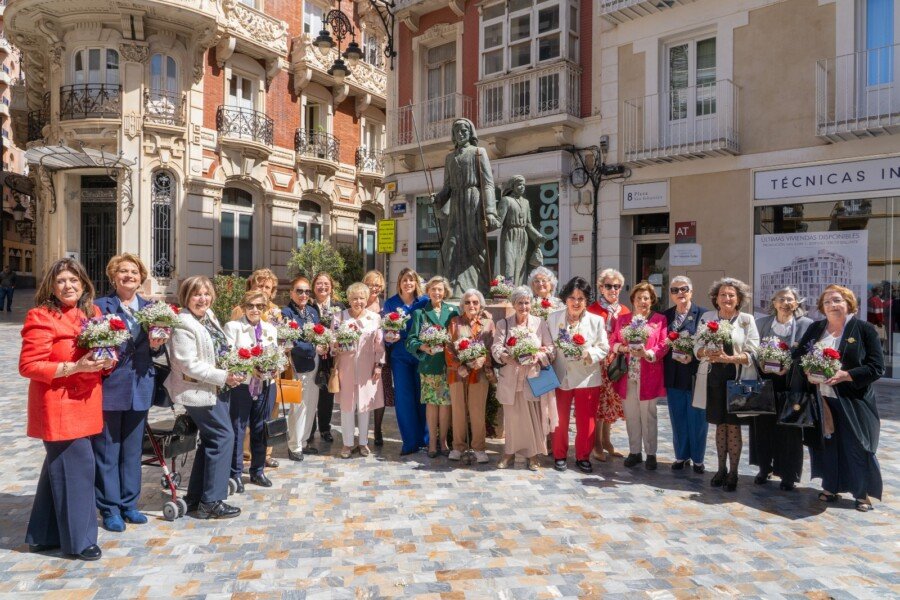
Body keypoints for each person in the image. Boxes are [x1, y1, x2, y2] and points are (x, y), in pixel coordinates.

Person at [20, 258, 113, 560]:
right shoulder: (41, 316)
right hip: (58, 404)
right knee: (79, 469)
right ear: (51, 286)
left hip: (86, 401)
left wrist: (108, 362)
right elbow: (29, 365)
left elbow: (102, 355)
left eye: (74, 280)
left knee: (59, 467)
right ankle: (80, 541)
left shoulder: (92, 313)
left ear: (85, 284)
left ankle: (42, 534)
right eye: (61, 281)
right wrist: (73, 367)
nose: (68, 286)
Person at [793, 285, 884, 512]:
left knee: (856, 445)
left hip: (852, 399)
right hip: (820, 397)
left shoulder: (864, 330)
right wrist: (806, 370)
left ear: (848, 303)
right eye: (827, 302)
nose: (833, 305)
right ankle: (830, 486)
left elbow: (876, 367)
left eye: (837, 300)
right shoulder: (816, 329)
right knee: (826, 443)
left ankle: (862, 493)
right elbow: (798, 356)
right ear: (822, 308)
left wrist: (847, 375)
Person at [93, 254, 163, 532]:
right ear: (114, 276)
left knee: (132, 450)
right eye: (123, 271)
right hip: (111, 385)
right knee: (108, 450)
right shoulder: (100, 306)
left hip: (141, 385)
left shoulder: (151, 308)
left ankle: (129, 504)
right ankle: (109, 507)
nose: (129, 276)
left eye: (134, 271)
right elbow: (91, 340)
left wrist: (158, 344)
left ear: (141, 276)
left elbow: (157, 348)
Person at [166, 276, 244, 519]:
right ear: (186, 297)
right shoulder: (183, 323)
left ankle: (197, 496)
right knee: (223, 437)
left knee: (211, 439)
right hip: (198, 391)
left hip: (217, 388)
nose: (203, 299)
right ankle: (212, 501)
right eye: (197, 294)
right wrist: (223, 375)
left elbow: (220, 348)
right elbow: (187, 364)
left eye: (207, 294)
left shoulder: (208, 316)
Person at [694, 277, 759, 492]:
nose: (727, 298)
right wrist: (706, 352)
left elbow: (753, 351)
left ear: (739, 298)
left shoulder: (747, 320)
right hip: (714, 380)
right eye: (723, 294)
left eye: (731, 295)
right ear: (716, 298)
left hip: (737, 380)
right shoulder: (707, 317)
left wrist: (729, 359)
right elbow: (697, 348)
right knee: (719, 425)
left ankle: (733, 472)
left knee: (733, 427)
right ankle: (720, 469)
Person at [749, 287, 812, 490]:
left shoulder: (806, 325)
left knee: (790, 430)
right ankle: (764, 467)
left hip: (791, 384)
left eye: (790, 299)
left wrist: (789, 366)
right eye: (781, 299)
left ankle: (788, 474)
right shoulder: (761, 323)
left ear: (797, 303)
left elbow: (809, 354)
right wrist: (761, 363)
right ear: (774, 302)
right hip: (765, 383)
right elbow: (752, 349)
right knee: (763, 427)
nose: (786, 303)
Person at [430, 118, 501, 297]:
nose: (461, 134)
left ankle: (481, 288)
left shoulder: (478, 152)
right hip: (456, 206)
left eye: (464, 131)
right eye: (457, 131)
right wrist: (438, 198)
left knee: (475, 245)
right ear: (453, 135)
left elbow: (487, 184)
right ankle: (452, 287)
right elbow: (447, 187)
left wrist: (491, 211)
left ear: (470, 133)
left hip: (473, 203)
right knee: (451, 245)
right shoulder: (450, 158)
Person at [491, 286, 557, 470]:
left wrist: (538, 356)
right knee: (512, 419)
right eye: (520, 302)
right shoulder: (503, 324)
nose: (523, 306)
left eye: (527, 302)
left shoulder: (539, 322)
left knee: (533, 417)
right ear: (513, 304)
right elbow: (496, 348)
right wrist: (507, 356)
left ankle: (533, 455)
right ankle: (509, 452)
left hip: (533, 377)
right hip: (511, 377)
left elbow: (551, 348)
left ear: (531, 304)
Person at [547, 277, 609, 473]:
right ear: (565, 298)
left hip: (587, 375)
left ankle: (583, 456)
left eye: (580, 298)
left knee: (586, 419)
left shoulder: (597, 321)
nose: (576, 302)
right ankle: (559, 455)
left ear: (586, 301)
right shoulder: (553, 318)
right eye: (572, 297)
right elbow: (547, 344)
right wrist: (548, 353)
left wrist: (588, 354)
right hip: (560, 375)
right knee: (559, 419)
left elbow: (604, 347)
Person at [609, 282, 668, 470]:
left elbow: (663, 344)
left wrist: (648, 354)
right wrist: (624, 348)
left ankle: (651, 453)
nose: (642, 301)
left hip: (649, 374)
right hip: (628, 375)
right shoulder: (623, 319)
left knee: (649, 416)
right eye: (639, 298)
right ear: (633, 300)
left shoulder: (659, 320)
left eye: (646, 298)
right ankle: (635, 451)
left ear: (652, 300)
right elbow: (613, 342)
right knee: (632, 415)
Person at [223, 291, 279, 490]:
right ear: (244, 306)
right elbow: (229, 356)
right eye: (251, 306)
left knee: (260, 428)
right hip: (242, 385)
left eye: (260, 306)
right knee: (238, 427)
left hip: (266, 385)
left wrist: (274, 367)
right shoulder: (233, 327)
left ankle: (257, 471)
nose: (255, 310)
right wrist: (250, 368)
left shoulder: (271, 329)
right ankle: (235, 473)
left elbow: (276, 355)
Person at [231, 268, 281, 470]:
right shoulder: (239, 310)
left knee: (265, 419)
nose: (263, 289)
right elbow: (233, 345)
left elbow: (278, 342)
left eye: (267, 287)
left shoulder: (276, 311)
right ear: (251, 286)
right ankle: (243, 457)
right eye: (259, 285)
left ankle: (262, 460)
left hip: (268, 376)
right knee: (242, 422)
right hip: (245, 377)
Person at [406, 276, 459, 458]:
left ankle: (443, 441)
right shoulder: (420, 313)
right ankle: (432, 444)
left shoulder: (453, 311)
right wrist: (422, 346)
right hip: (429, 365)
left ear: (445, 292)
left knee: (445, 405)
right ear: (428, 291)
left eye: (440, 290)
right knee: (431, 404)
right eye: (433, 289)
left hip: (448, 365)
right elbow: (410, 340)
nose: (437, 293)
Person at [333, 283, 385, 459]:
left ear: (366, 299)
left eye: (361, 298)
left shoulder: (375, 318)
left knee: (364, 406)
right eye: (354, 298)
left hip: (367, 368)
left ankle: (363, 442)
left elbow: (379, 344)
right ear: (348, 299)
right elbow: (332, 343)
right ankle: (347, 443)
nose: (358, 301)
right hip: (345, 368)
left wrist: (379, 364)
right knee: (347, 407)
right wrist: (337, 344)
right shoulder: (339, 317)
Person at [382, 268, 430, 455]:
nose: (408, 283)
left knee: (422, 396)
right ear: (399, 283)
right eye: (405, 280)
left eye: (411, 280)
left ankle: (424, 440)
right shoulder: (391, 303)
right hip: (400, 354)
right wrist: (389, 338)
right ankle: (409, 442)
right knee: (404, 398)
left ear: (416, 282)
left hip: (420, 353)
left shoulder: (423, 302)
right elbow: (385, 332)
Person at [663, 276, 708, 473]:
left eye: (684, 289)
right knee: (678, 417)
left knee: (697, 418)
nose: (680, 293)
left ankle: (698, 459)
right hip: (673, 375)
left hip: (695, 374)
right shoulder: (665, 316)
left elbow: (709, 344)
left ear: (691, 290)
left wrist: (694, 356)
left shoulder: (704, 315)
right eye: (675, 290)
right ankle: (681, 456)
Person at [445, 288, 495, 464]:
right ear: (462, 305)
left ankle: (479, 448)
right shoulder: (454, 322)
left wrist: (482, 359)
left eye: (475, 302)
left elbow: (492, 347)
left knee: (477, 411)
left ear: (480, 304)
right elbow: (448, 346)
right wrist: (459, 366)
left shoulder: (488, 323)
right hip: (457, 374)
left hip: (479, 373)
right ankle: (458, 447)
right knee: (458, 410)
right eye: (467, 302)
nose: (471, 305)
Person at [587, 268, 630, 460]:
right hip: (598, 363)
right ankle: (596, 443)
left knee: (611, 403)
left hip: (616, 363)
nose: (613, 289)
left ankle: (607, 440)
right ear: (601, 288)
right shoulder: (592, 310)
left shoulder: (625, 311)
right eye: (608, 286)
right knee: (598, 403)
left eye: (617, 286)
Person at [281, 276, 321, 462]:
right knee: (298, 406)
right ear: (291, 293)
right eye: (299, 291)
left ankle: (304, 442)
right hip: (297, 364)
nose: (304, 294)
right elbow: (291, 342)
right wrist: (314, 347)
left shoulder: (313, 312)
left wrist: (324, 344)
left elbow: (319, 333)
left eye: (306, 291)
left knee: (311, 404)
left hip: (314, 364)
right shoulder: (286, 313)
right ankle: (294, 445)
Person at [308, 271, 345, 444]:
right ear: (313, 286)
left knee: (326, 393)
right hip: (313, 354)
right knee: (310, 392)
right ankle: (309, 429)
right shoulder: (307, 305)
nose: (322, 287)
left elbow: (345, 329)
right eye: (319, 284)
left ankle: (325, 428)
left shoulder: (339, 307)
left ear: (331, 287)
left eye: (326, 284)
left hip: (331, 355)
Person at [497, 175, 546, 286]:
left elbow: (529, 224)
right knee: (509, 264)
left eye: (523, 185)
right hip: (509, 234)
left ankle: (518, 289)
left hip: (522, 236)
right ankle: (507, 289)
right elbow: (499, 221)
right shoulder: (506, 200)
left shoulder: (526, 202)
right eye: (519, 184)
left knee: (520, 266)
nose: (522, 187)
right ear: (512, 186)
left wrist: (538, 236)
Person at [364, 270, 390, 447]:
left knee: (381, 392)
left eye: (378, 285)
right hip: (362, 355)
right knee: (363, 392)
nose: (374, 288)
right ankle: (363, 432)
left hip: (382, 354)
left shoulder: (385, 306)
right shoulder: (358, 303)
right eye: (371, 284)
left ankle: (378, 429)